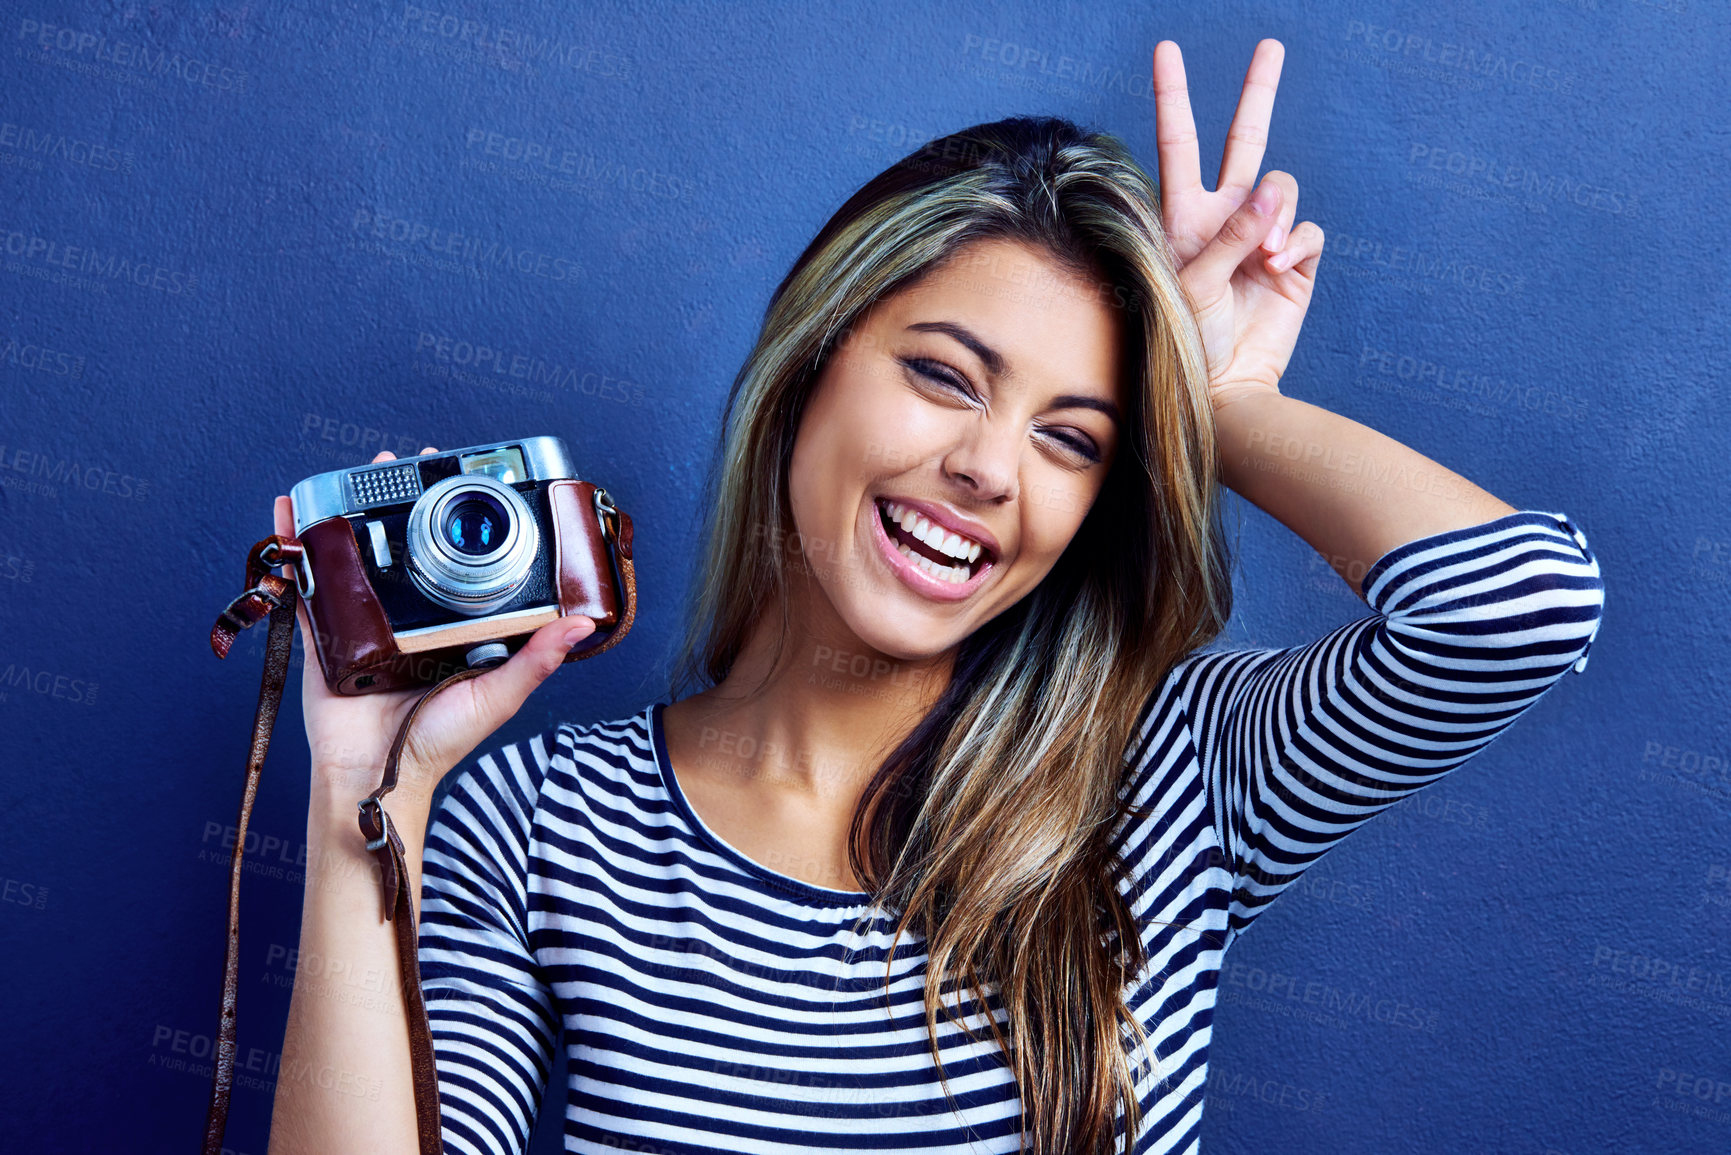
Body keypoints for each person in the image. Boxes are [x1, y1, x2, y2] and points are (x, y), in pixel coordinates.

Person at [265, 39, 1604, 1155]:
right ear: (811, 369)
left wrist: (1219, 407)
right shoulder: (542, 820)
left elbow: (1515, 611)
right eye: (946, 377)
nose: (984, 469)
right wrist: (355, 799)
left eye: (1074, 439)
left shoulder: (1171, 778)